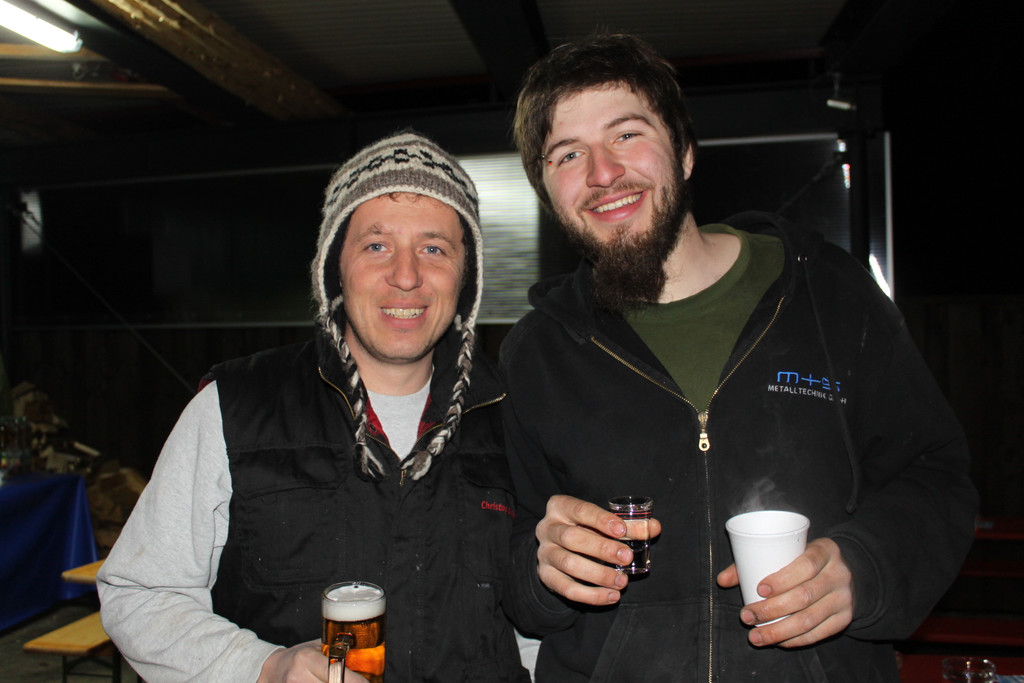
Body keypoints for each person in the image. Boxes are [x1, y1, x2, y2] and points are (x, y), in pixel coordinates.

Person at [500, 34, 978, 682]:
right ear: (547, 190)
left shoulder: (828, 293)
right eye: (567, 154)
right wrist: (542, 568)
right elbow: (511, 560)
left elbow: (936, 475)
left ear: (685, 151)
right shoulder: (538, 353)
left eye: (627, 134)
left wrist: (866, 566)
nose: (602, 173)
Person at [98, 131, 530, 682]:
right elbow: (140, 592)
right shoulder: (235, 407)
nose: (406, 276)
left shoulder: (516, 417)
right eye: (376, 245)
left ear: (465, 276)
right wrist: (264, 667)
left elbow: (536, 631)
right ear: (334, 268)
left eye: (434, 248)